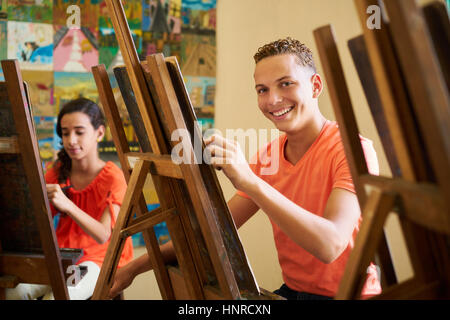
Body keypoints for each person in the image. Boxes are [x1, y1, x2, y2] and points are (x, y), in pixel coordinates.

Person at [108, 37, 381, 300]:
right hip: (293, 292)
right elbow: (212, 231)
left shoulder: (352, 150)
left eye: (286, 84)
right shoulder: (269, 155)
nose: (273, 100)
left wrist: (250, 181)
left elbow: (330, 246)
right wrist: (133, 268)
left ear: (315, 86)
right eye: (262, 90)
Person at [6, 98, 133, 300]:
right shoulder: (57, 171)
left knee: (61, 296)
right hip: (62, 256)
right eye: (65, 133)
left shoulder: (113, 177)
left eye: (79, 132)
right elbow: (36, 219)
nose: (71, 140)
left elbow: (102, 235)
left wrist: (68, 205)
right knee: (14, 292)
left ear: (99, 133)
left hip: (97, 260)